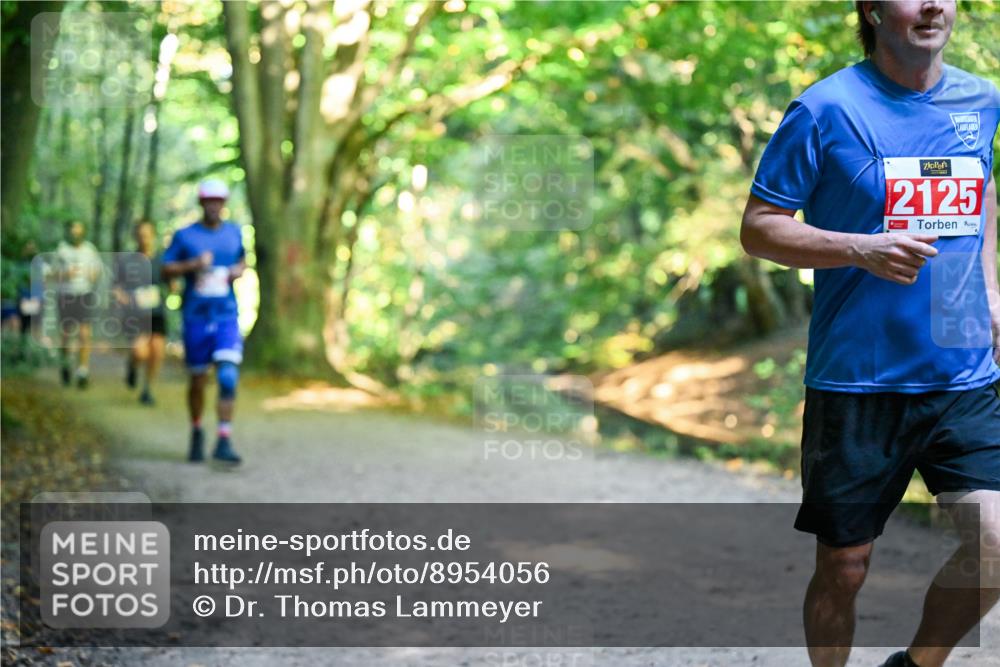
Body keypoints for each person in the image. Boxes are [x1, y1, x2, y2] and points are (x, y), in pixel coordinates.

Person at [740, 2, 999, 666]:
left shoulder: (981, 99)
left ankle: (915, 665)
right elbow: (760, 226)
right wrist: (860, 248)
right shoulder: (825, 109)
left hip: (962, 372)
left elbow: (980, 190)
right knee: (844, 566)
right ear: (873, 10)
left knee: (996, 544)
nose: (934, 5)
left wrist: (991, 294)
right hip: (857, 378)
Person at [162, 180, 245, 465]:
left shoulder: (234, 233)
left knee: (228, 376)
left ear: (224, 203)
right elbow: (165, 269)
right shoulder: (185, 236)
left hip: (226, 315)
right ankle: (197, 429)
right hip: (196, 317)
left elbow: (242, 260)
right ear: (201, 203)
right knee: (198, 381)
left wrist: (238, 271)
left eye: (218, 200)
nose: (213, 205)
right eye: (209, 200)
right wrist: (193, 265)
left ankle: (224, 439)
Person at [114, 221, 168, 405]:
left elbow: (170, 281)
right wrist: (122, 297)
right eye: (141, 235)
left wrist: (173, 286)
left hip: (157, 312)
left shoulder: (161, 260)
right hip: (135, 314)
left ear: (153, 235)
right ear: (136, 236)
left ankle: (148, 389)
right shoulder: (127, 261)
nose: (144, 238)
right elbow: (116, 286)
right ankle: (132, 365)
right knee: (140, 353)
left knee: (157, 351)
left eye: (147, 234)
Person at [53, 220, 104, 388]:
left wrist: (92, 275)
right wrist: (65, 274)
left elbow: (97, 271)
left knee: (84, 333)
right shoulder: (61, 250)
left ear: (83, 231)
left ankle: (83, 371)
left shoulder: (90, 250)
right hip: (65, 295)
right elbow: (52, 273)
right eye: (73, 229)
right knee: (66, 334)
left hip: (84, 294)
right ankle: (65, 364)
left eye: (78, 229)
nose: (75, 232)